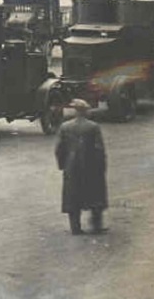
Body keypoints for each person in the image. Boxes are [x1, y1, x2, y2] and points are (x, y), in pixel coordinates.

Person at [55, 99, 108, 235]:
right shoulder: (93, 127)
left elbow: (59, 149)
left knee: (73, 197)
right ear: (85, 111)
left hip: (71, 166)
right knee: (96, 196)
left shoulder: (65, 127)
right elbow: (99, 149)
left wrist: (62, 165)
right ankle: (96, 226)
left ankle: (75, 228)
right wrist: (102, 166)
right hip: (92, 166)